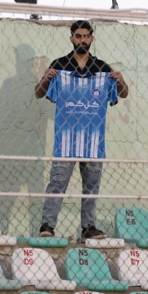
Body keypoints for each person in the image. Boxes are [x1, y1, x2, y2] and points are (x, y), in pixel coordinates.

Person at [34, 20, 129, 240]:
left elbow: (123, 94)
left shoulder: (102, 69)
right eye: (78, 36)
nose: (82, 40)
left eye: (86, 36)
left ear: (91, 39)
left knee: (91, 188)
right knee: (57, 184)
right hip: (65, 142)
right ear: (71, 38)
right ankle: (47, 226)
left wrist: (121, 81)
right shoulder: (60, 66)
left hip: (93, 142)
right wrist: (45, 79)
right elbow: (39, 93)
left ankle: (88, 227)